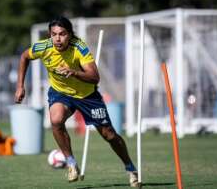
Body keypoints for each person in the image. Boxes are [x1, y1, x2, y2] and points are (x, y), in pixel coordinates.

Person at [14, 16, 138, 187]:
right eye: (54, 34)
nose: (57, 39)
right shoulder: (44, 47)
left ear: (70, 34)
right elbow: (24, 57)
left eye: (62, 34)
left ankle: (130, 167)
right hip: (60, 93)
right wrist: (20, 86)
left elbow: (95, 77)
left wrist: (74, 72)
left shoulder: (79, 47)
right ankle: (71, 163)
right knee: (56, 120)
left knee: (109, 134)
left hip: (87, 96)